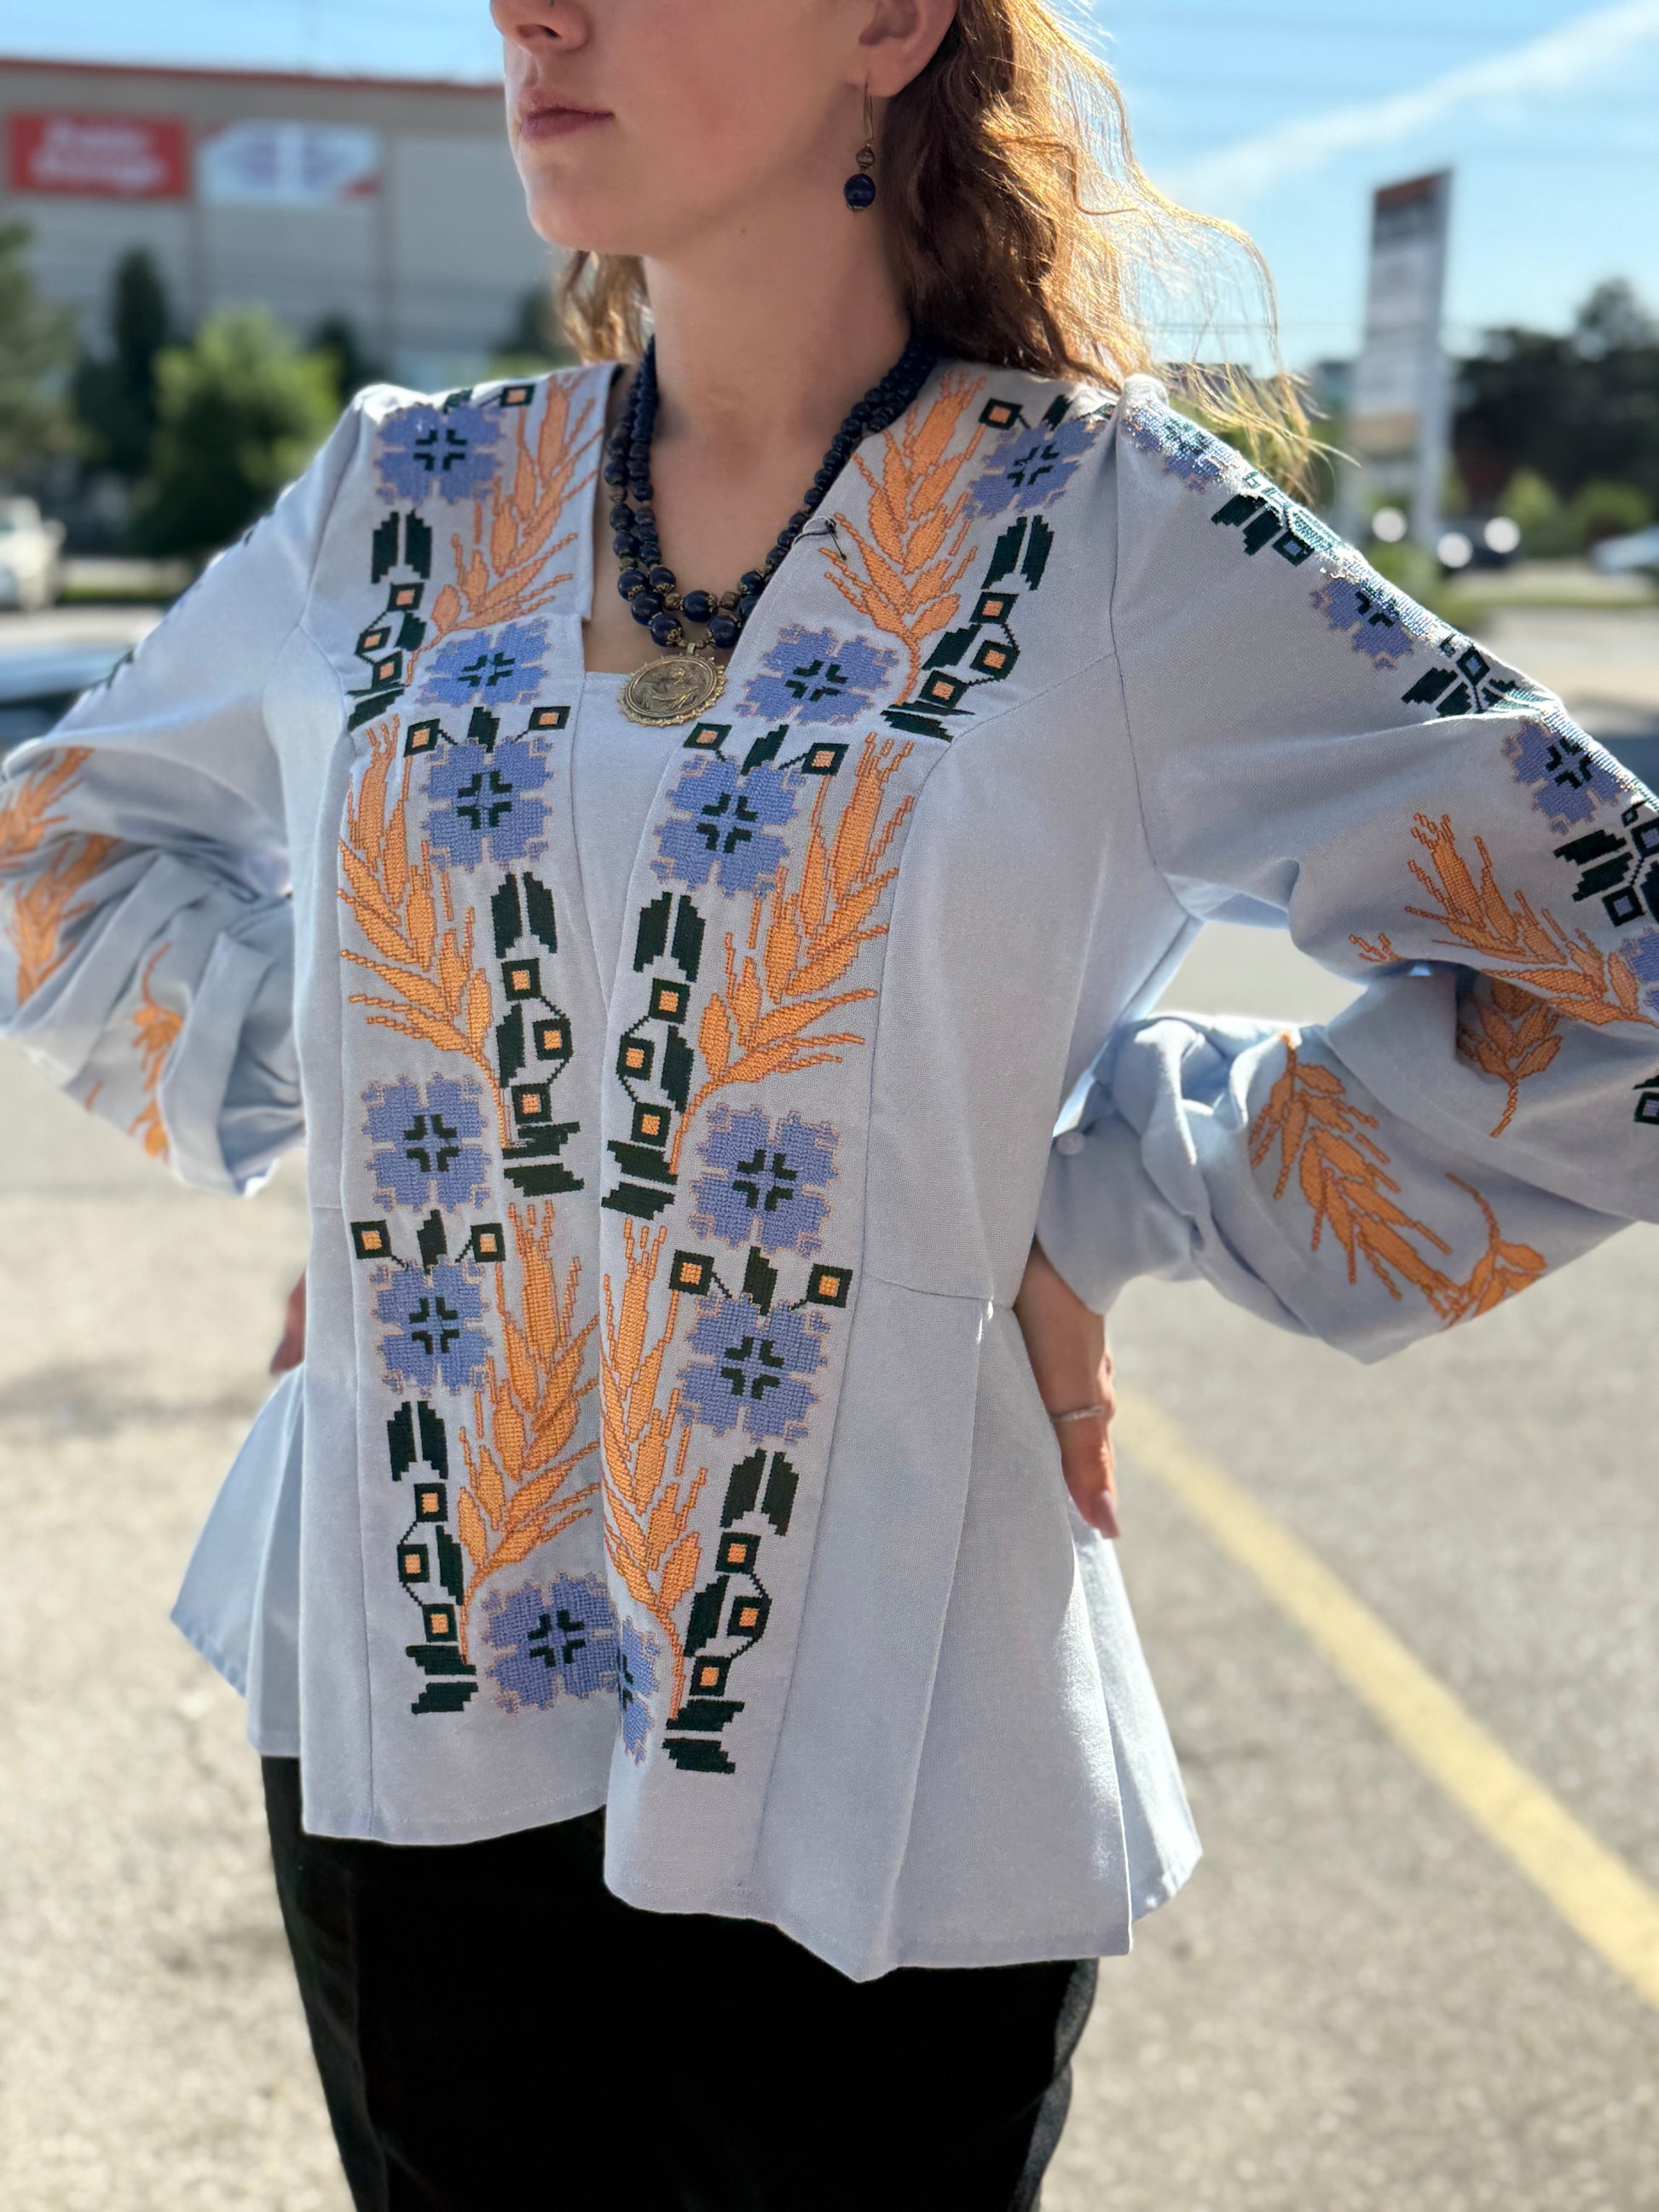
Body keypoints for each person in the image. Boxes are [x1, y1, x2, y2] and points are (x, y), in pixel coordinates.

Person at [1, 3, 1653, 2206]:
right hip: (414, 1683)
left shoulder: (1107, 530)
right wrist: (420, 1144)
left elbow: (1604, 960)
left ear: (884, 23)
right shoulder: (399, 497)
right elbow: (58, 845)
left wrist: (1092, 1203)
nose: (528, 12)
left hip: (899, 1682)